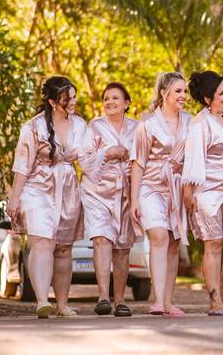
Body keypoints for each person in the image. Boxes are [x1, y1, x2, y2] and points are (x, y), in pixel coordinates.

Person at [7, 76, 86, 318]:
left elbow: (90, 159)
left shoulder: (80, 125)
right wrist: (14, 198)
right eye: (67, 99)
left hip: (68, 188)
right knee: (42, 242)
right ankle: (42, 301)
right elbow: (22, 165)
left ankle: (62, 305)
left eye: (73, 97)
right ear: (52, 101)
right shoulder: (32, 127)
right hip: (37, 188)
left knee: (63, 248)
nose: (72, 102)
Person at [182, 70, 223, 316]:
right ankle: (214, 300)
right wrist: (188, 192)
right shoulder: (200, 123)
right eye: (221, 93)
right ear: (208, 99)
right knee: (213, 244)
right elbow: (192, 158)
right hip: (206, 190)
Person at [130, 72, 191, 317]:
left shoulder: (191, 122)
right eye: (178, 91)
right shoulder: (147, 125)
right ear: (164, 93)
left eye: (185, 91)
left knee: (174, 243)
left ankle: (167, 302)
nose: (183, 96)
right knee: (159, 236)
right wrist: (134, 198)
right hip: (151, 186)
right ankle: (157, 300)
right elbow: (138, 163)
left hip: (177, 187)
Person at [79, 82, 139, 317]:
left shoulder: (137, 128)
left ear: (126, 103)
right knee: (101, 239)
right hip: (97, 191)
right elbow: (84, 159)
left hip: (126, 192)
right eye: (106, 98)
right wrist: (108, 152)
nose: (110, 102)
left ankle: (120, 300)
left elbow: (143, 158)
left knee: (122, 247)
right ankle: (103, 297)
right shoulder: (94, 126)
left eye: (115, 98)